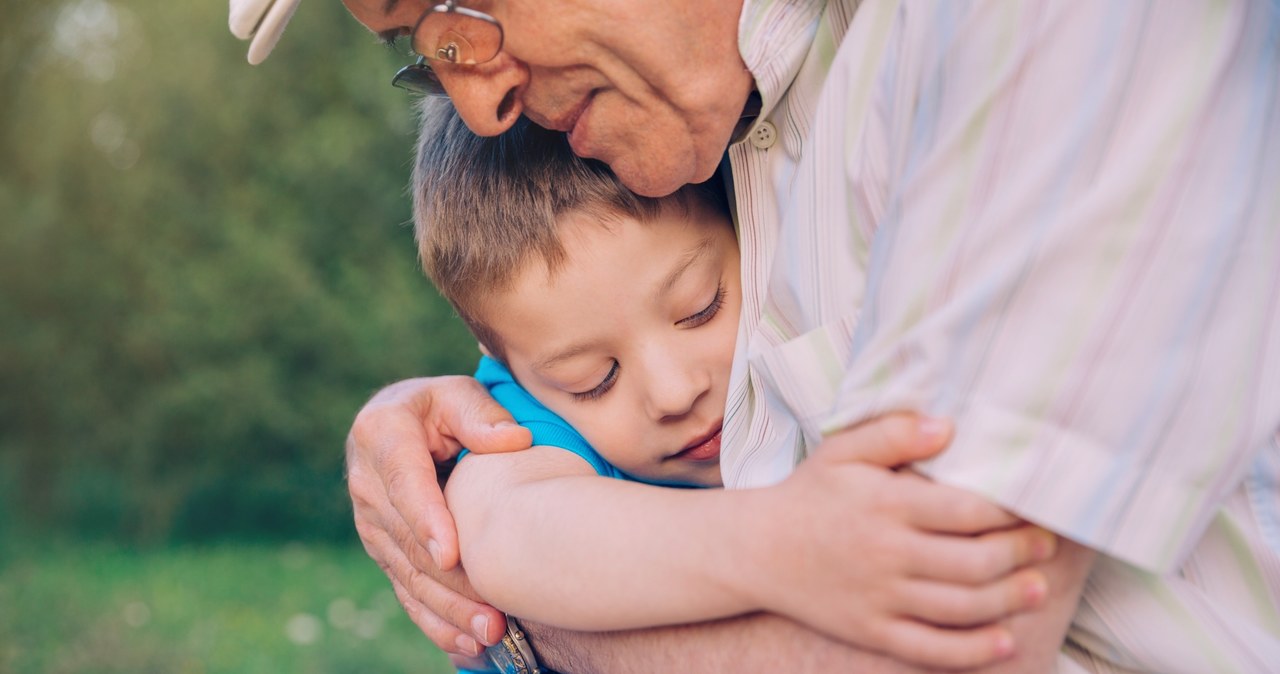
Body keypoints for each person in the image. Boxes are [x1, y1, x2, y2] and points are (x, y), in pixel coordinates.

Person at [232, 0, 1280, 671]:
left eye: (460, 14)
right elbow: (504, 500)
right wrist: (445, 468)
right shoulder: (710, 127)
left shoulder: (1032, 33)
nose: (482, 99)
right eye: (424, 55)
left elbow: (945, 636)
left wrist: (525, 626)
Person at [410, 98, 1055, 670]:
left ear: (751, 229)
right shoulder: (516, 425)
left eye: (700, 308)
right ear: (504, 363)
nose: (673, 391)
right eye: (592, 380)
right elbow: (511, 531)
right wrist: (781, 538)